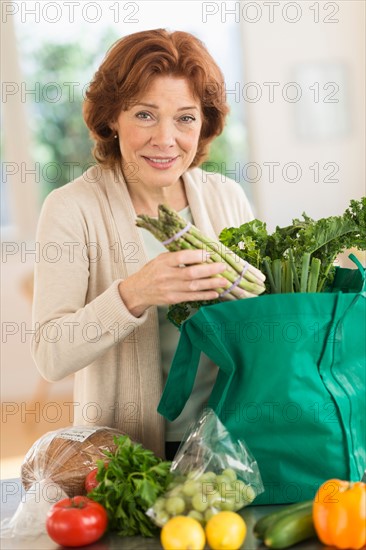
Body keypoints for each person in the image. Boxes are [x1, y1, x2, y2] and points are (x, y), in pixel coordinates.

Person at [31, 29, 254, 459]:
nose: (166, 139)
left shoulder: (227, 198)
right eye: (145, 115)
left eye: (185, 117)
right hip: (125, 459)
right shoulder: (71, 208)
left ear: (204, 123)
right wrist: (133, 295)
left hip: (230, 451)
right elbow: (50, 354)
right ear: (113, 117)